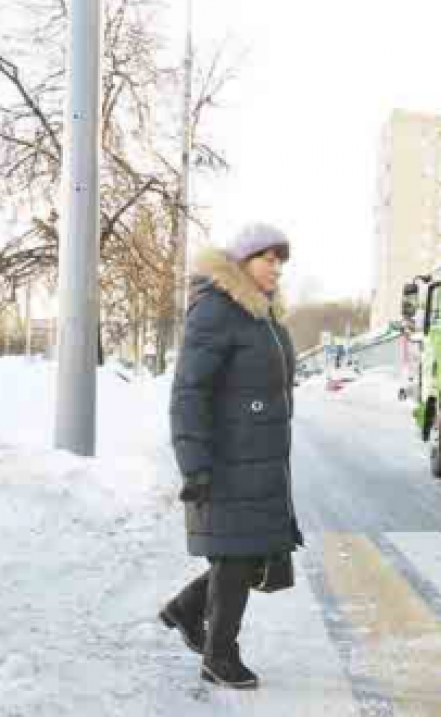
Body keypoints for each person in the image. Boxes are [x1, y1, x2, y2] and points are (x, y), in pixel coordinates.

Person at [159, 223, 302, 690]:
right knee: (238, 555)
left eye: (281, 259)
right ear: (242, 263)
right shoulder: (218, 312)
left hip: (258, 454)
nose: (276, 268)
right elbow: (188, 393)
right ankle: (220, 656)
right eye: (268, 258)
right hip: (227, 457)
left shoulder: (260, 316)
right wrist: (194, 464)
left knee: (251, 549)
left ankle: (187, 609)